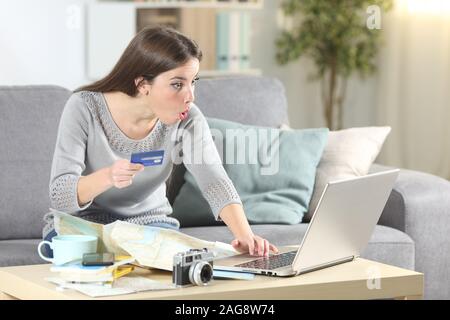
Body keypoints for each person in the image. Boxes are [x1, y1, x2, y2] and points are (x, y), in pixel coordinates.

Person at [43, 26, 278, 259]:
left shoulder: (188, 118)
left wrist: (247, 236)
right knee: (95, 260)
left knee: (182, 267)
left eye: (193, 81)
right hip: (84, 226)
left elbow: (214, 180)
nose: (190, 95)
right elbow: (60, 195)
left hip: (150, 226)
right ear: (142, 84)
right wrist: (107, 177)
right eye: (177, 84)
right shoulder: (84, 107)